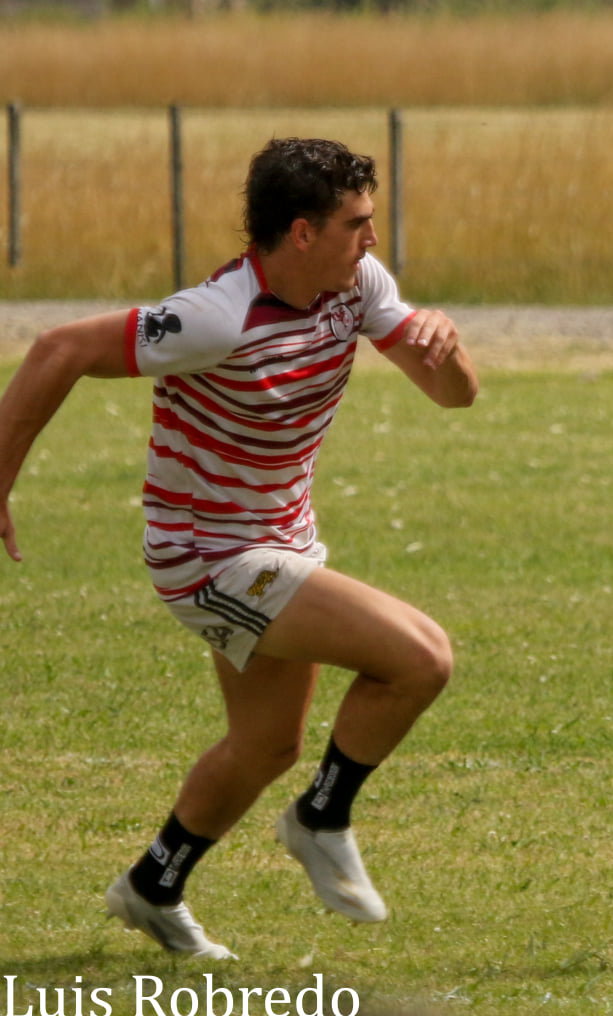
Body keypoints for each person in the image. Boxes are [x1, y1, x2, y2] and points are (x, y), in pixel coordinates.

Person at [0, 138, 479, 959]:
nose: (372, 238)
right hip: (208, 560)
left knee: (266, 744)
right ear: (302, 232)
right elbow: (57, 349)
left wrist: (447, 343)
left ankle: (154, 885)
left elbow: (453, 395)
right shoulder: (216, 317)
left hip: (280, 543)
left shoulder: (355, 286)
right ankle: (321, 816)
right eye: (357, 223)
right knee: (422, 657)